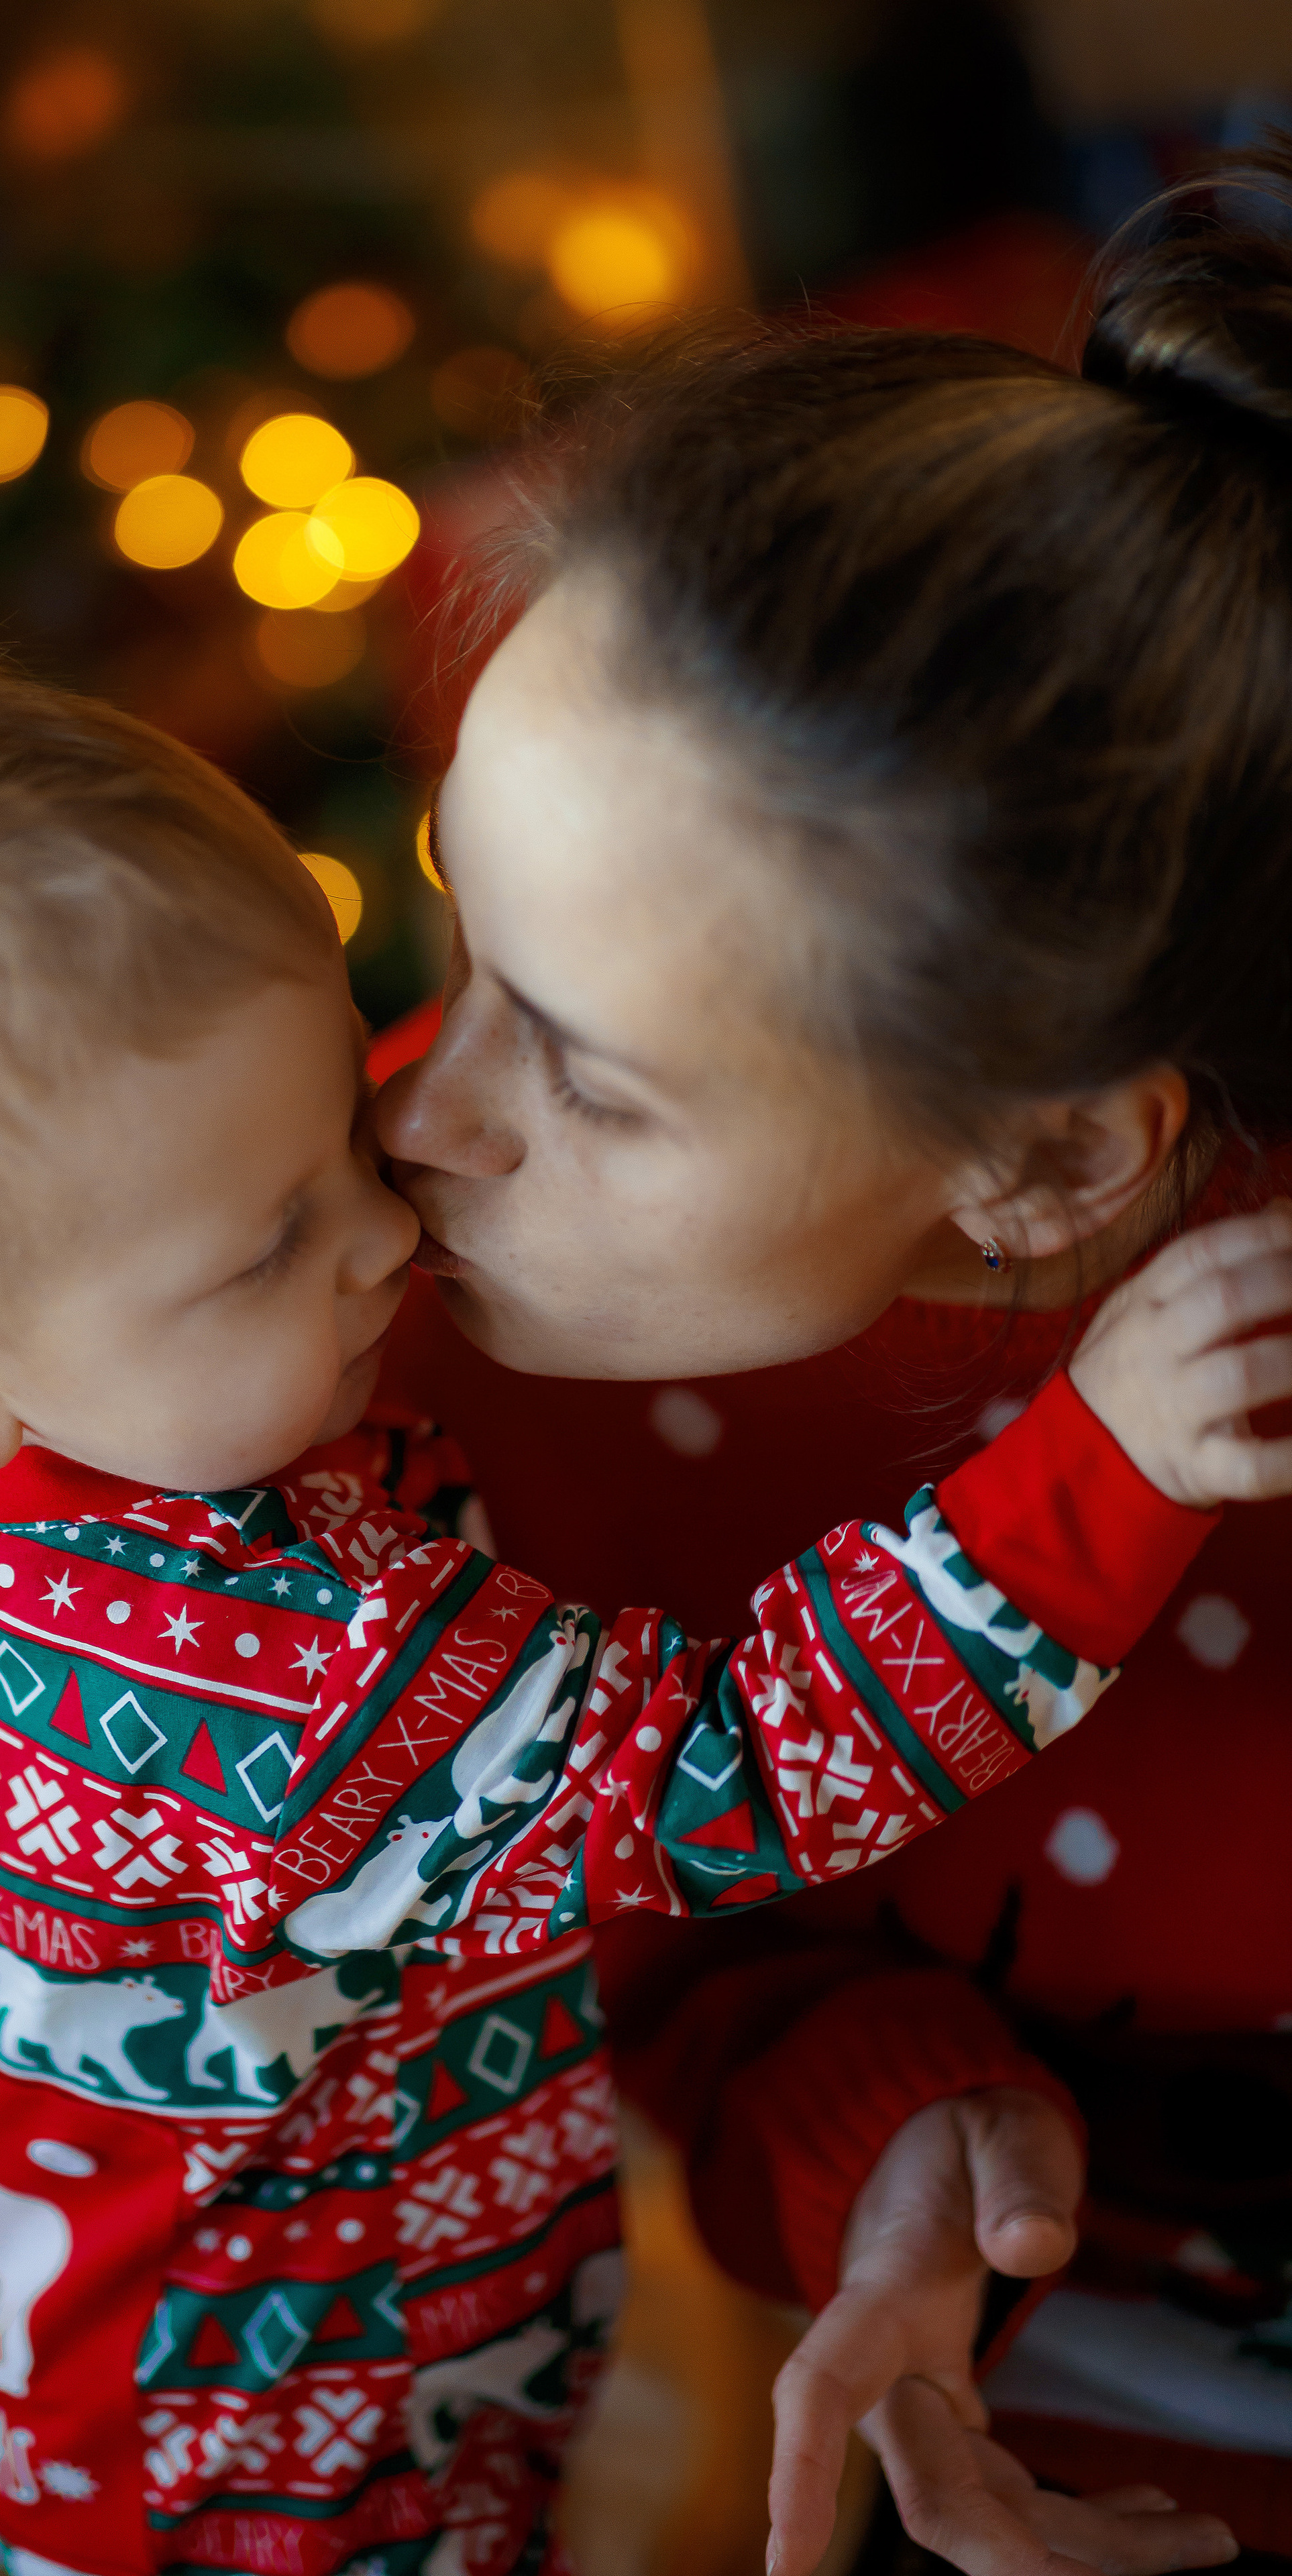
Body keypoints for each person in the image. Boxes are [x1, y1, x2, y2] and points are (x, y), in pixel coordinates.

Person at [0, 621, 1275, 2576]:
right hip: (289, 2452)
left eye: (333, 1115)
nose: (395, 1211)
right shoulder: (275, 1691)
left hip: (77, 2348)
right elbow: (750, 1761)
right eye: (274, 1234)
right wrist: (1112, 1456)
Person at [374, 146, 1292, 2576]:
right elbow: (674, 1946)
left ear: (1047, 1162)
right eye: (459, 927)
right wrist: (896, 2136)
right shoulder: (403, 1358)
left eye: (582, 1067)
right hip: (1040, 2370)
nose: (416, 1115)